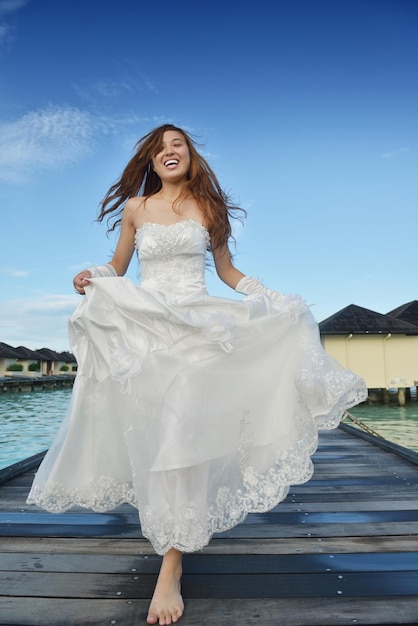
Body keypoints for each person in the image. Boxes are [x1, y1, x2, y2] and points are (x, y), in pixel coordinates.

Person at [27, 124, 367, 625]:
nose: (170, 152)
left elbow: (227, 271)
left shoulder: (208, 209)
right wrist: (90, 277)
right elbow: (117, 268)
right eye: (161, 148)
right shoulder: (136, 209)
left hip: (200, 323)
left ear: (190, 156)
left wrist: (270, 297)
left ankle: (171, 565)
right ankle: (171, 532)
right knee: (161, 437)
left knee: (184, 425)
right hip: (150, 327)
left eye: (178, 145)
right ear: (151, 159)